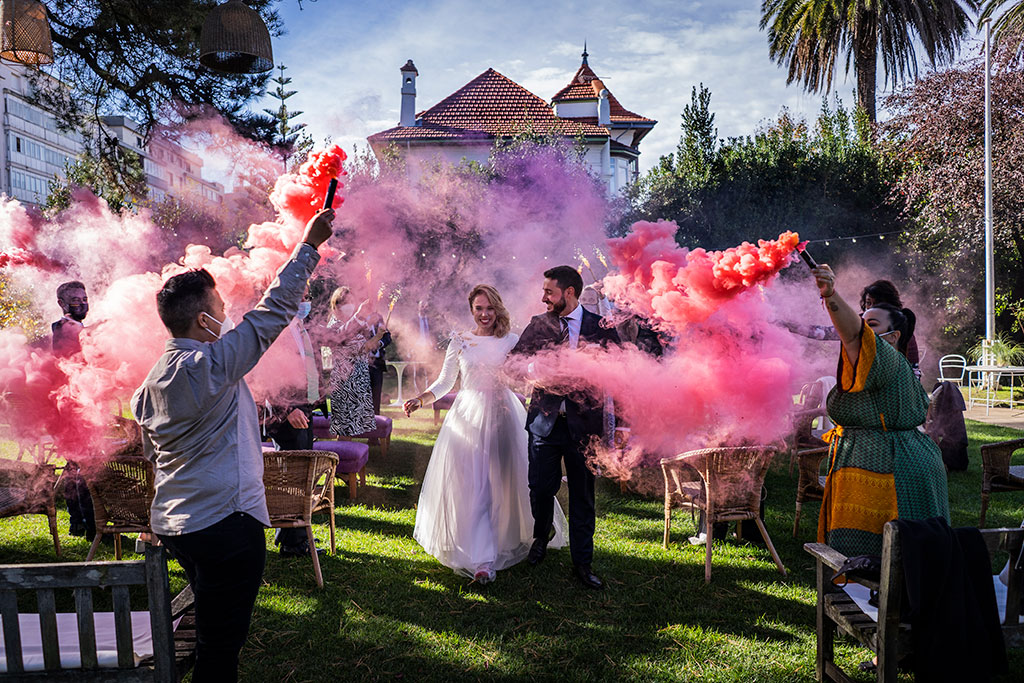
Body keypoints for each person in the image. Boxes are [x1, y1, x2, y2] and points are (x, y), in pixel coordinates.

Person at [131, 209, 334, 682]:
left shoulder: (149, 383)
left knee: (210, 630)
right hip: (226, 524)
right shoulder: (210, 365)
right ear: (204, 320)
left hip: (178, 526)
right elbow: (274, 311)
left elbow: (153, 453)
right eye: (221, 308)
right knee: (221, 650)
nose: (227, 314)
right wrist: (308, 246)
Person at [403, 284, 566, 583]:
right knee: (476, 485)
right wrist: (421, 399)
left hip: (503, 415)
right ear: (471, 310)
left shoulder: (511, 341)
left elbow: (525, 378)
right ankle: (483, 558)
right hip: (468, 418)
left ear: (498, 308)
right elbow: (445, 382)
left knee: (504, 481)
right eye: (479, 308)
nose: (484, 314)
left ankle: (509, 537)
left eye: (489, 308)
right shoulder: (460, 342)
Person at [811, 264, 949, 558]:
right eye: (863, 319)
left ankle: (883, 596)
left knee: (894, 558)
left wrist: (830, 294)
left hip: (896, 468)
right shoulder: (879, 364)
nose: (863, 327)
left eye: (872, 325)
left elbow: (852, 335)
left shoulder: (887, 358)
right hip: (895, 460)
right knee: (895, 560)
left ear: (893, 336)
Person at [509, 266, 619, 590]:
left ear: (568, 293)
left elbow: (622, 373)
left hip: (585, 429)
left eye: (549, 292)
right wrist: (532, 370)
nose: (543, 297)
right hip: (545, 423)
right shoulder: (538, 324)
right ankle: (541, 536)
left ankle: (583, 564)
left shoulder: (601, 327)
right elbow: (513, 362)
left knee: (583, 497)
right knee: (541, 488)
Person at [263, 285, 324, 557]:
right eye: (300, 296)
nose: (305, 301)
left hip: (304, 409)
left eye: (307, 296)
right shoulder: (279, 328)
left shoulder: (299, 326)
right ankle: (292, 542)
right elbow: (266, 376)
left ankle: (292, 535)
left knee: (299, 476)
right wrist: (287, 410)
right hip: (288, 414)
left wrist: (316, 397)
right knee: (291, 476)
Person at [52, 280, 96, 539]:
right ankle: (93, 527)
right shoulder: (67, 329)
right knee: (88, 466)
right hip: (74, 407)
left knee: (74, 466)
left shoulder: (74, 328)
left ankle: (77, 523)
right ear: (62, 304)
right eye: (75, 300)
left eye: (84, 298)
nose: (82, 303)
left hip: (73, 405)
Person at [324, 286, 382, 437]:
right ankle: (343, 458)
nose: (350, 305)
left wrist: (379, 336)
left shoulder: (356, 323)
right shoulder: (334, 324)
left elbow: (363, 349)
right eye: (346, 302)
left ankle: (351, 457)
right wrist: (359, 315)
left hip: (358, 378)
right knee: (345, 429)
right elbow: (340, 337)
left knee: (354, 427)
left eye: (352, 301)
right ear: (336, 305)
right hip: (345, 381)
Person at [860, 280, 921, 380]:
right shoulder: (862, 321)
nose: (871, 308)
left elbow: (914, 372)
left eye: (877, 303)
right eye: (868, 303)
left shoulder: (903, 328)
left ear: (894, 336)